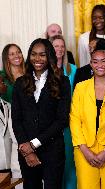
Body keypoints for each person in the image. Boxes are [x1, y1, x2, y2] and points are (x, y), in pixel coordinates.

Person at [11, 38, 71, 189]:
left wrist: (34, 144)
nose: (37, 59)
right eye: (33, 54)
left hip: (53, 150)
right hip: (26, 152)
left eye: (42, 55)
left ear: (49, 56)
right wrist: (27, 150)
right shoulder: (20, 83)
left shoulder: (62, 82)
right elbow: (16, 119)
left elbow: (62, 120)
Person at [70, 39, 105, 189]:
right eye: (95, 62)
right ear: (91, 64)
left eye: (104, 61)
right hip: (84, 149)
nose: (99, 65)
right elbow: (74, 119)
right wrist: (85, 151)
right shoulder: (81, 87)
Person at [49, 35, 77, 189]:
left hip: (70, 120)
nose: (59, 49)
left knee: (69, 159)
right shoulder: (46, 70)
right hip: (52, 120)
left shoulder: (73, 69)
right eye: (55, 46)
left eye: (61, 46)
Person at [1, 44, 25, 188]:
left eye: (18, 52)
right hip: (9, 123)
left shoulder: (30, 72)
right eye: (12, 54)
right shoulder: (2, 78)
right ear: (6, 58)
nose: (16, 56)